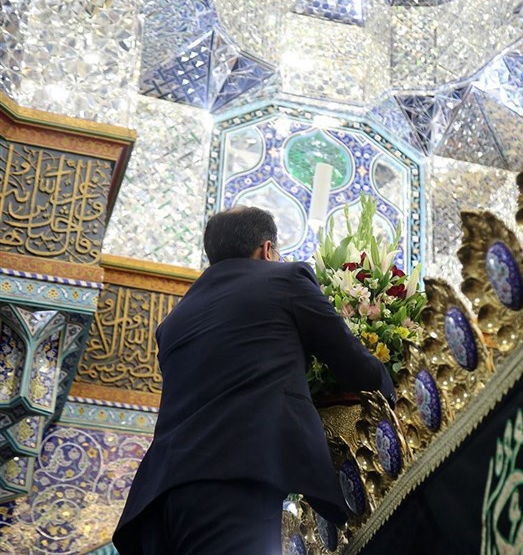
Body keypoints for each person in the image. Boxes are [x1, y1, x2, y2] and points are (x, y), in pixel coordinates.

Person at [112, 206, 395, 555]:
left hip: (161, 500)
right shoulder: (284, 280)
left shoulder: (173, 321)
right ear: (266, 249)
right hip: (233, 484)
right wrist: (395, 396)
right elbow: (353, 364)